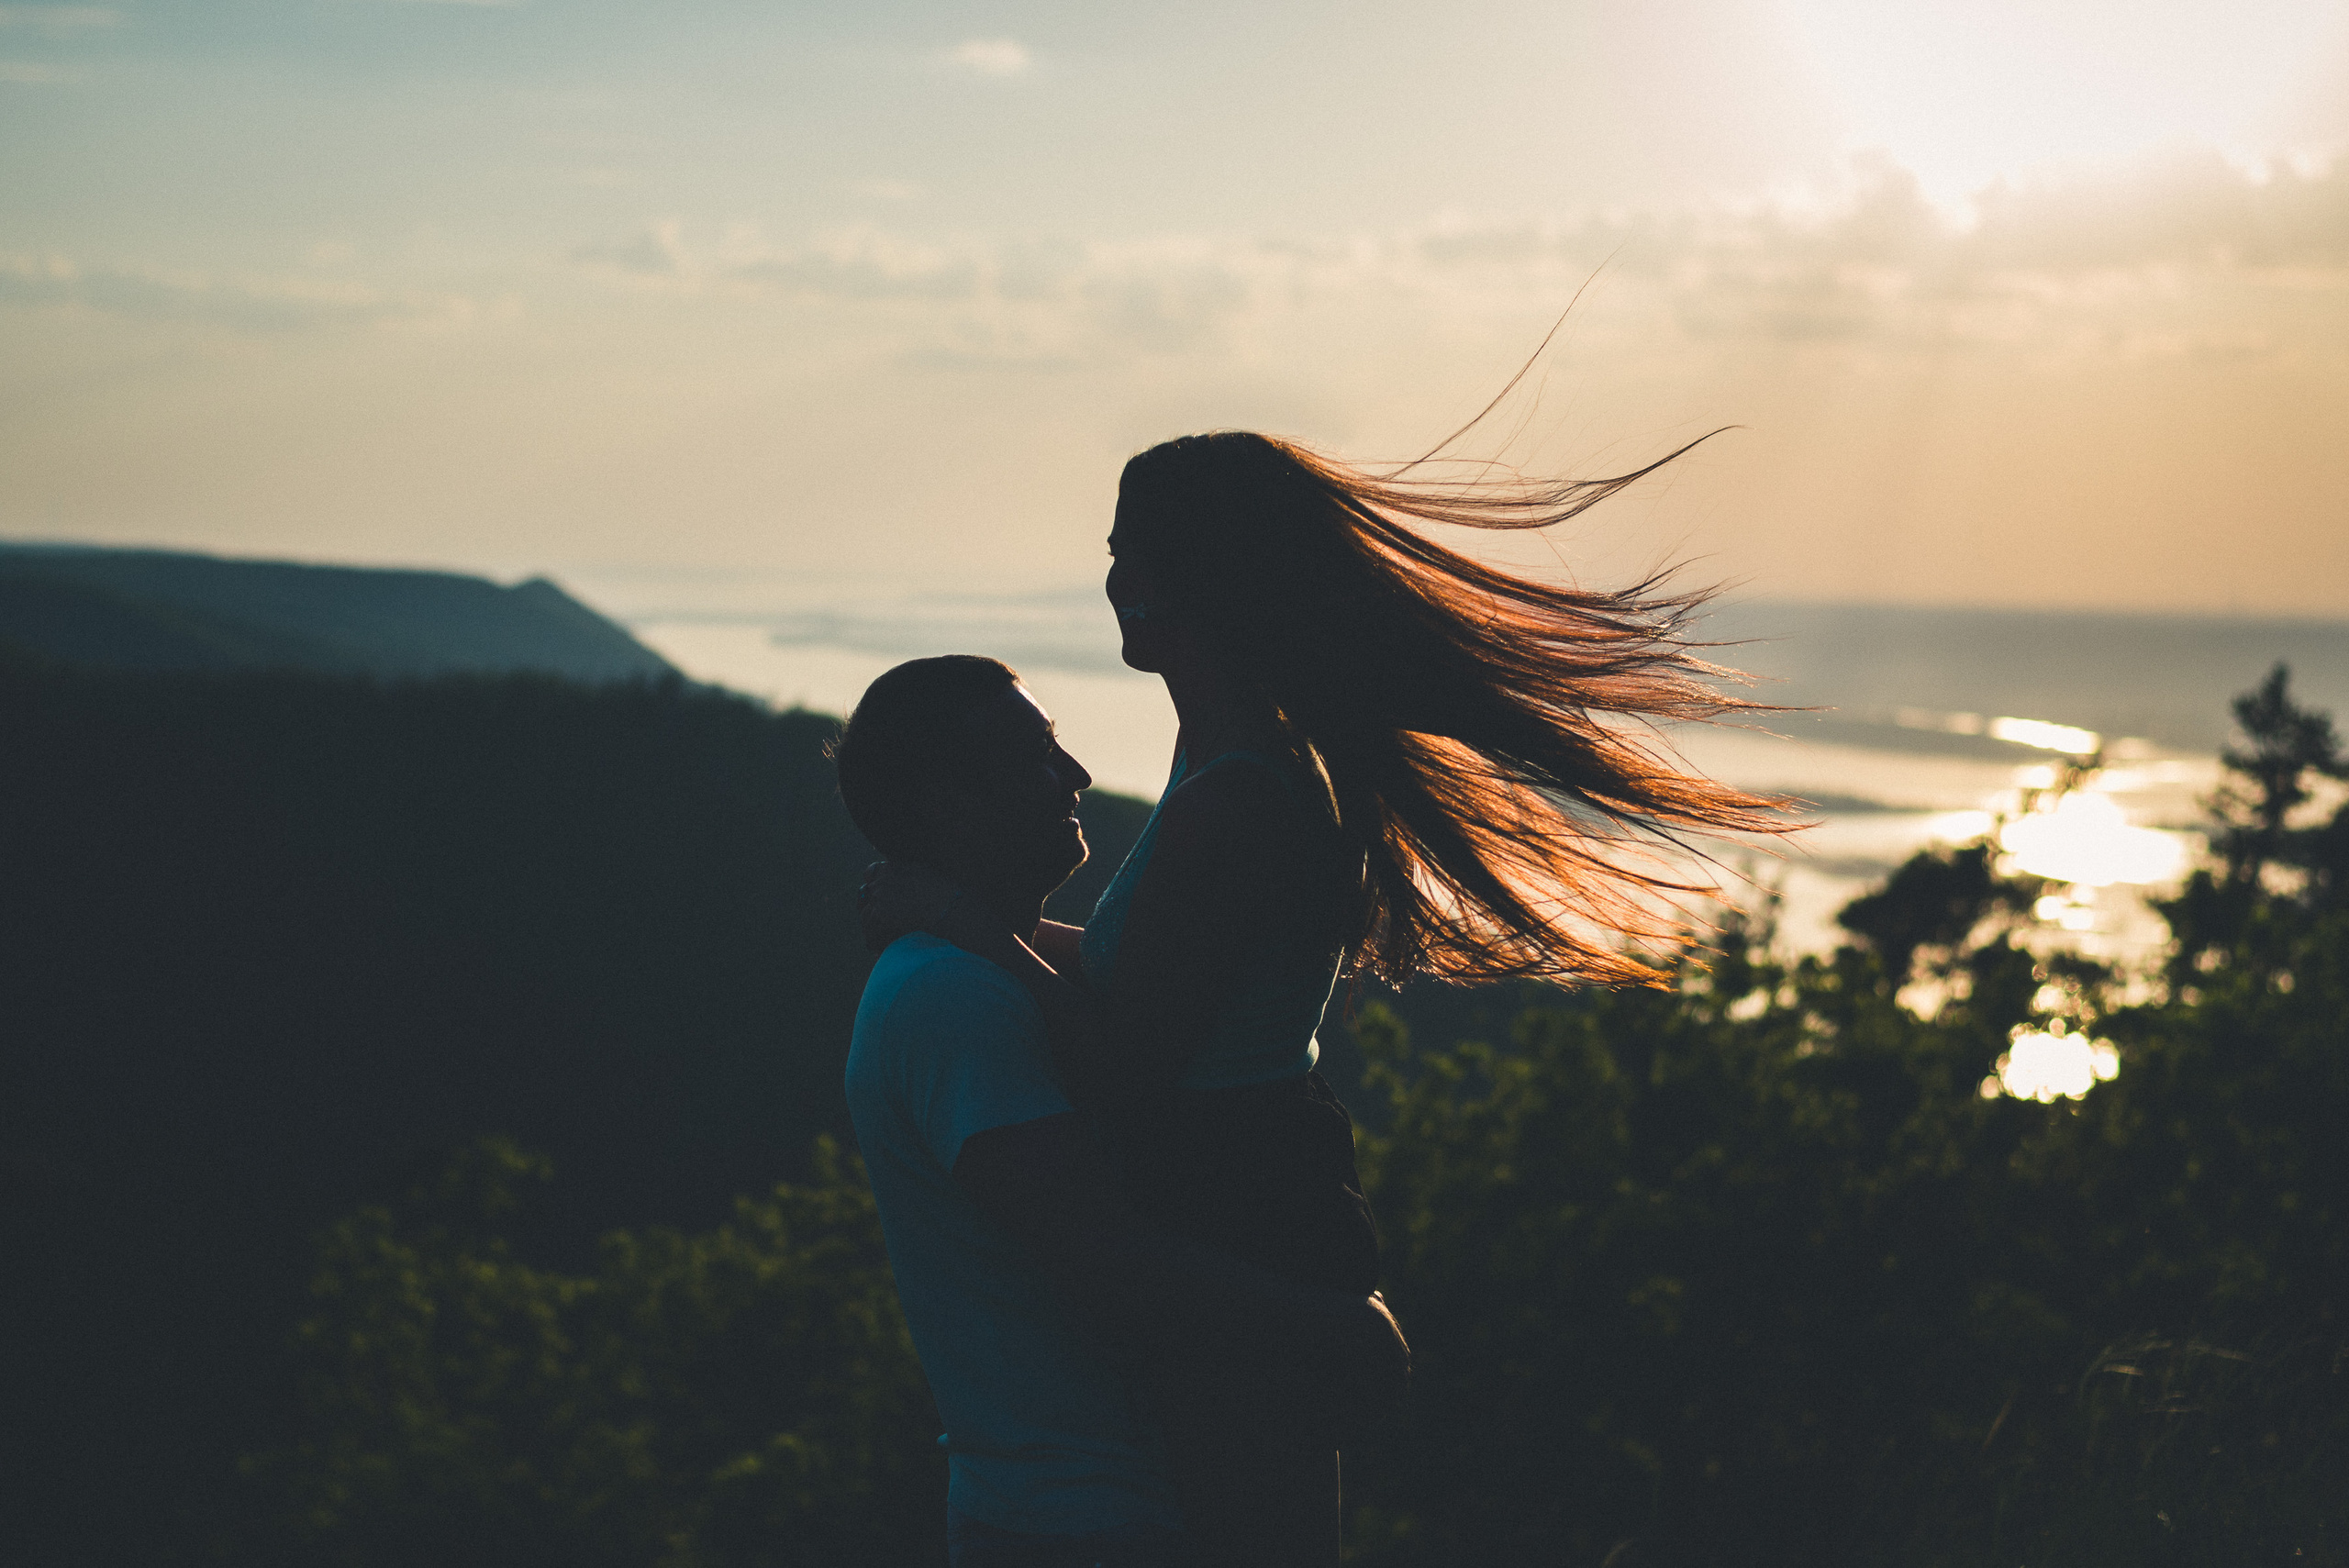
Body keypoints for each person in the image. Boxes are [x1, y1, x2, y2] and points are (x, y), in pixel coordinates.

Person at [867, 430, 1790, 1562]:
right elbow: (1139, 966)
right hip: (1252, 1189)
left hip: (1235, 1200)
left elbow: (1121, 1062)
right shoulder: (1232, 758)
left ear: (1187, 574)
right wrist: (984, 925)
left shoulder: (1237, 794)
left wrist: (968, 927)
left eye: (1122, 552)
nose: (1111, 580)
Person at [834, 654, 1409, 1568]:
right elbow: (1109, 1263)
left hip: (1115, 1506)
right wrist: (1336, 1329)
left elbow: (1118, 978)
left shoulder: (978, 969)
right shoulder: (950, 998)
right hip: (1082, 1521)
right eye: (1038, 756)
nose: (1079, 775)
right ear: (949, 805)